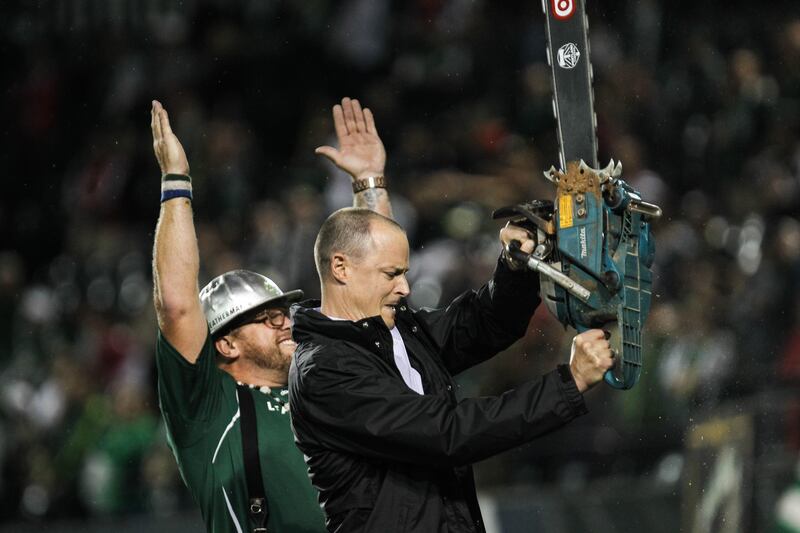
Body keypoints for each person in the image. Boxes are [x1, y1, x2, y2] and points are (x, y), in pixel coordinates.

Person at [288, 208, 615, 532]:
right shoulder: (323, 369)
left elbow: (484, 324)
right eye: (391, 274)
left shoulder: (397, 330)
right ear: (341, 267)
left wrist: (516, 266)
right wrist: (568, 383)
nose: (405, 288)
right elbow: (447, 433)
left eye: (404, 273)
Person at [151, 96, 392, 532]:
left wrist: (369, 183)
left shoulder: (324, 379)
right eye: (265, 317)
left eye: (283, 311)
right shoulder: (208, 411)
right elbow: (176, 305)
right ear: (225, 343)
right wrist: (176, 180)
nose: (284, 321)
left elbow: (380, 296)